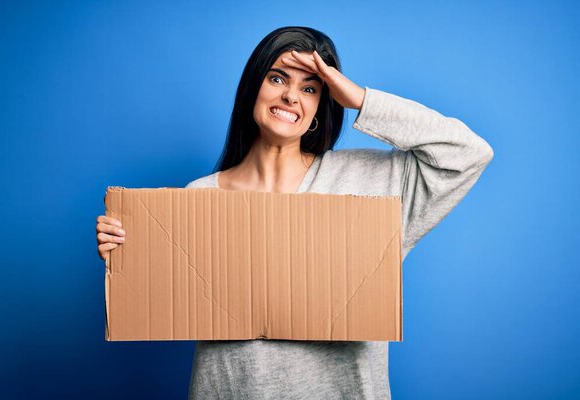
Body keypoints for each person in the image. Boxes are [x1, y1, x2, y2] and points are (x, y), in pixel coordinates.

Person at [96, 26, 493, 399]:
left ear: (323, 103)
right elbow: (167, 300)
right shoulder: (199, 198)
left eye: (311, 87)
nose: (291, 97)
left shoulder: (369, 181)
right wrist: (128, 252)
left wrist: (360, 100)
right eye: (278, 78)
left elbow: (469, 153)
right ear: (254, 86)